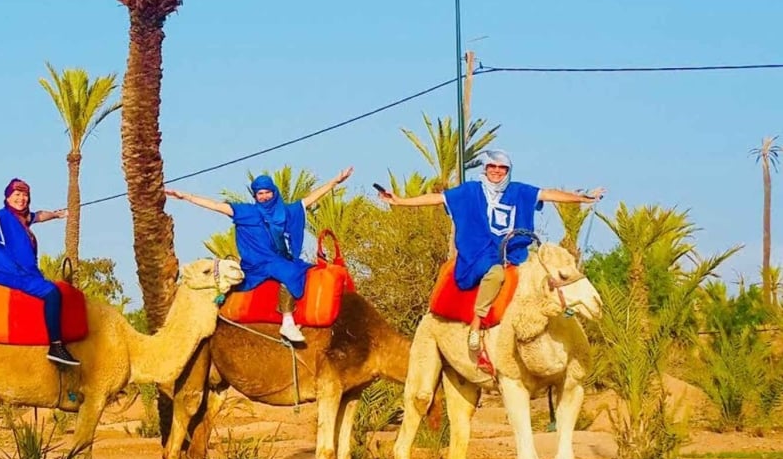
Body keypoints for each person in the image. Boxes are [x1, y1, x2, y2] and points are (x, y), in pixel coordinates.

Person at [377, 149, 603, 375]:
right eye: (492, 167)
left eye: (502, 168)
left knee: (541, 280)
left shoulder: (518, 191)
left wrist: (582, 198)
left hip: (513, 252)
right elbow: (437, 198)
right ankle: (476, 325)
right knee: (496, 274)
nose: (496, 171)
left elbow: (549, 195)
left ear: (508, 170)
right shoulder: (470, 192)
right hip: (479, 253)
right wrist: (400, 201)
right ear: (485, 169)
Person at [166, 167, 353, 344]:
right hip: (255, 263)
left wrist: (335, 181)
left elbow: (310, 199)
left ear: (274, 192)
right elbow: (216, 205)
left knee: (302, 268)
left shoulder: (286, 212)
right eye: (259, 193)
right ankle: (287, 322)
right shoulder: (246, 212)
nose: (263, 197)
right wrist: (186, 196)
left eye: (266, 192)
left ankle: (299, 315)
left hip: (276, 258)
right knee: (288, 272)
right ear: (255, 195)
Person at [0, 179, 75, 366]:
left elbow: (39, 215)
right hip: (6, 274)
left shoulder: (25, 218)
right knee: (52, 293)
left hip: (25, 274)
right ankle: (56, 346)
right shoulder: (2, 217)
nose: (21, 199)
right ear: (8, 197)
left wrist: (56, 215)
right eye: (16, 195)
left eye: (25, 195)